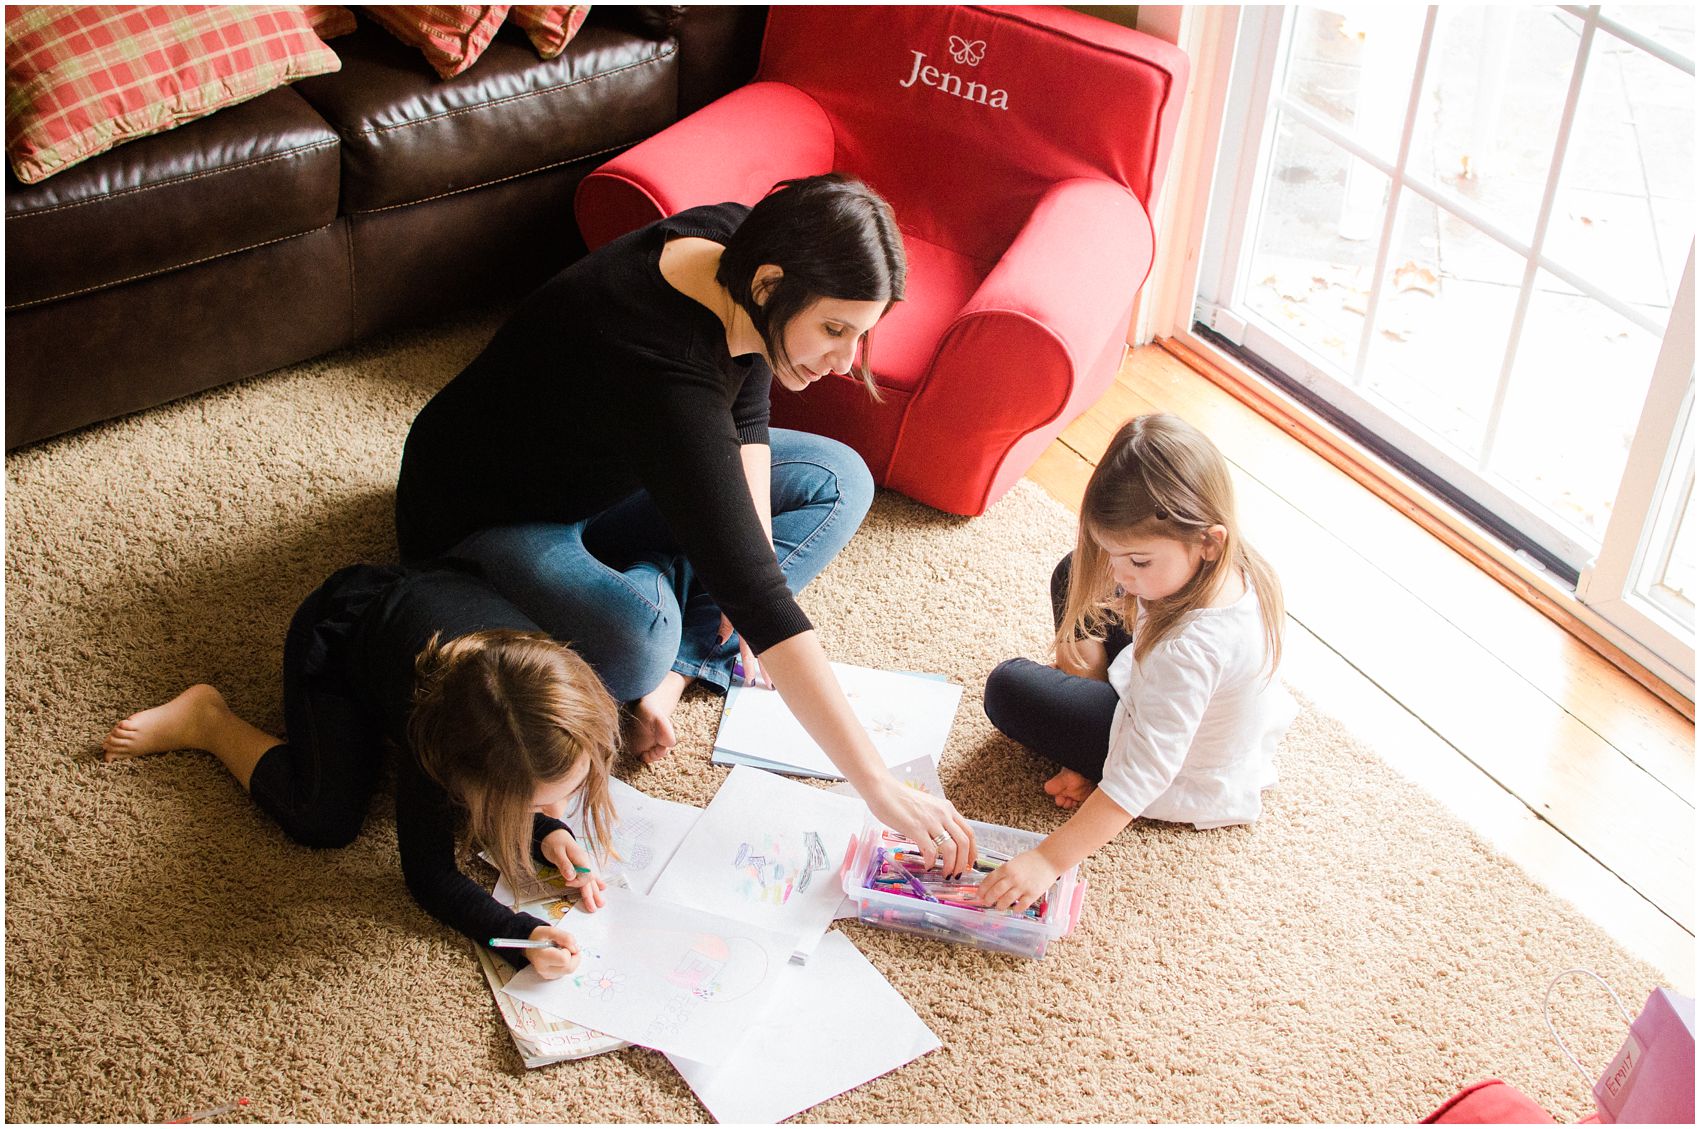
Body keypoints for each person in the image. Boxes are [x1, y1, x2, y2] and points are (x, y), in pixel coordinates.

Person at [394, 173, 975, 870]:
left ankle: (703, 568)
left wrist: (749, 547)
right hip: (490, 514)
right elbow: (765, 602)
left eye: (860, 334)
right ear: (769, 286)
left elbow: (749, 406)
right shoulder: (665, 375)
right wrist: (877, 784)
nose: (845, 361)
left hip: (622, 469)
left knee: (839, 479)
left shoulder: (740, 239)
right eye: (833, 329)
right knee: (641, 640)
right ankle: (688, 608)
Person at [101, 563, 619, 979]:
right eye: (531, 806)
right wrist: (516, 934)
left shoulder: (550, 690)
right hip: (342, 637)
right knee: (323, 819)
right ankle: (208, 721)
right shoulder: (435, 741)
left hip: (435, 597)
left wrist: (547, 830)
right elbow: (428, 876)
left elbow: (527, 774)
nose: (552, 808)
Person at [976, 414, 1297, 912]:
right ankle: (1089, 678)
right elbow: (1115, 573)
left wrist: (1046, 859)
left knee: (1007, 687)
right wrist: (1125, 571)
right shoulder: (1228, 561)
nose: (1121, 576)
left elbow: (1142, 777)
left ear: (1208, 542)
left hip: (1177, 767)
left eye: (1139, 562)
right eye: (1114, 552)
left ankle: (1086, 738)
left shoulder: (1187, 654)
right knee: (1074, 568)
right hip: (1168, 696)